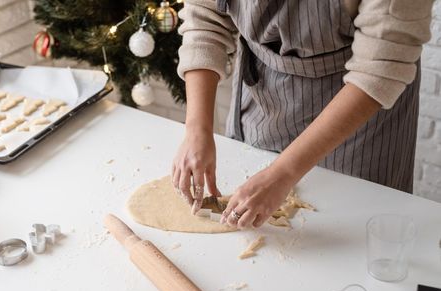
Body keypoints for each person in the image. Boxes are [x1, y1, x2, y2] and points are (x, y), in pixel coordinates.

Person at [171, 0, 434, 229]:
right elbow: (206, 17)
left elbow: (379, 68)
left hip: (359, 118)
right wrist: (197, 129)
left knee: (345, 240)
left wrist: (282, 174)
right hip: (264, 97)